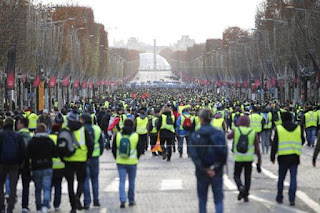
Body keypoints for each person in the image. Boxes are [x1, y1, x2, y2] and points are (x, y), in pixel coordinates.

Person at [190, 109, 228, 213]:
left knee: (202, 200)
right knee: (218, 200)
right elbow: (224, 153)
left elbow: (194, 156)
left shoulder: (196, 135)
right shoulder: (219, 133)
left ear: (201, 119)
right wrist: (216, 168)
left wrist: (204, 169)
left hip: (202, 172)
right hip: (217, 171)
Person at [61, 111, 94, 213]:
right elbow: (90, 144)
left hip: (68, 160)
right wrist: (88, 156)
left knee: (70, 184)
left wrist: (63, 158)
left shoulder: (64, 131)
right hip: (81, 160)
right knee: (81, 181)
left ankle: (73, 207)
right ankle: (78, 196)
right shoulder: (83, 130)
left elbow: (60, 146)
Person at [271, 112, 304, 206]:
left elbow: (275, 143)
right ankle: (292, 198)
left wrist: (272, 156)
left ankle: (279, 196)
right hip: (294, 156)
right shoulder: (298, 128)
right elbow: (303, 140)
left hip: (283, 156)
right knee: (293, 178)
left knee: (281, 178)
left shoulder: (279, 129)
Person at [227, 116, 262, 202]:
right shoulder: (252, 132)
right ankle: (246, 195)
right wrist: (259, 159)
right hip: (249, 158)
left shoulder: (236, 130)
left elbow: (228, 137)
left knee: (236, 175)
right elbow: (257, 148)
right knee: (247, 177)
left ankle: (240, 187)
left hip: (238, 157)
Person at [112, 119, 142, 208]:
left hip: (120, 161)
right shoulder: (135, 136)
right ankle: (131, 200)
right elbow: (140, 149)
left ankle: (122, 199)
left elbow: (113, 149)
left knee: (122, 181)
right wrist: (136, 158)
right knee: (131, 181)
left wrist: (117, 158)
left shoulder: (118, 135)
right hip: (132, 162)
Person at [28, 124, 57, 213]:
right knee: (47, 188)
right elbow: (55, 154)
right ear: (45, 131)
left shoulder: (32, 141)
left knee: (38, 189)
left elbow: (28, 154)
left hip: (36, 167)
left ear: (36, 131)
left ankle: (38, 207)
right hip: (47, 166)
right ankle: (45, 205)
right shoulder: (49, 141)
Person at [0, 118, 26, 213]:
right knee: (13, 186)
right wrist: (20, 163)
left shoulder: (1, 134)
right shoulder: (17, 135)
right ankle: (10, 207)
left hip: (2, 164)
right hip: (14, 164)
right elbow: (23, 151)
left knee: (0, 185)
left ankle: (1, 206)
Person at [80, 114, 104, 210]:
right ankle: (96, 200)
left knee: (85, 180)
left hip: (84, 157)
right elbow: (101, 143)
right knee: (95, 179)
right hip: (95, 157)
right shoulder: (97, 129)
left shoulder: (81, 130)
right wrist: (99, 152)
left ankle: (86, 202)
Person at [17, 118, 33, 213]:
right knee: (26, 186)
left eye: (18, 124)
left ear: (22, 124)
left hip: (17, 162)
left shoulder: (16, 135)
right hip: (28, 164)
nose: (17, 125)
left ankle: (10, 201)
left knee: (12, 183)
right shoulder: (31, 135)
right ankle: (24, 205)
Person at [49, 124, 64, 212]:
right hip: (60, 166)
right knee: (58, 186)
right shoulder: (61, 138)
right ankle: (57, 205)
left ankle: (47, 203)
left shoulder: (48, 138)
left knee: (48, 186)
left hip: (49, 165)